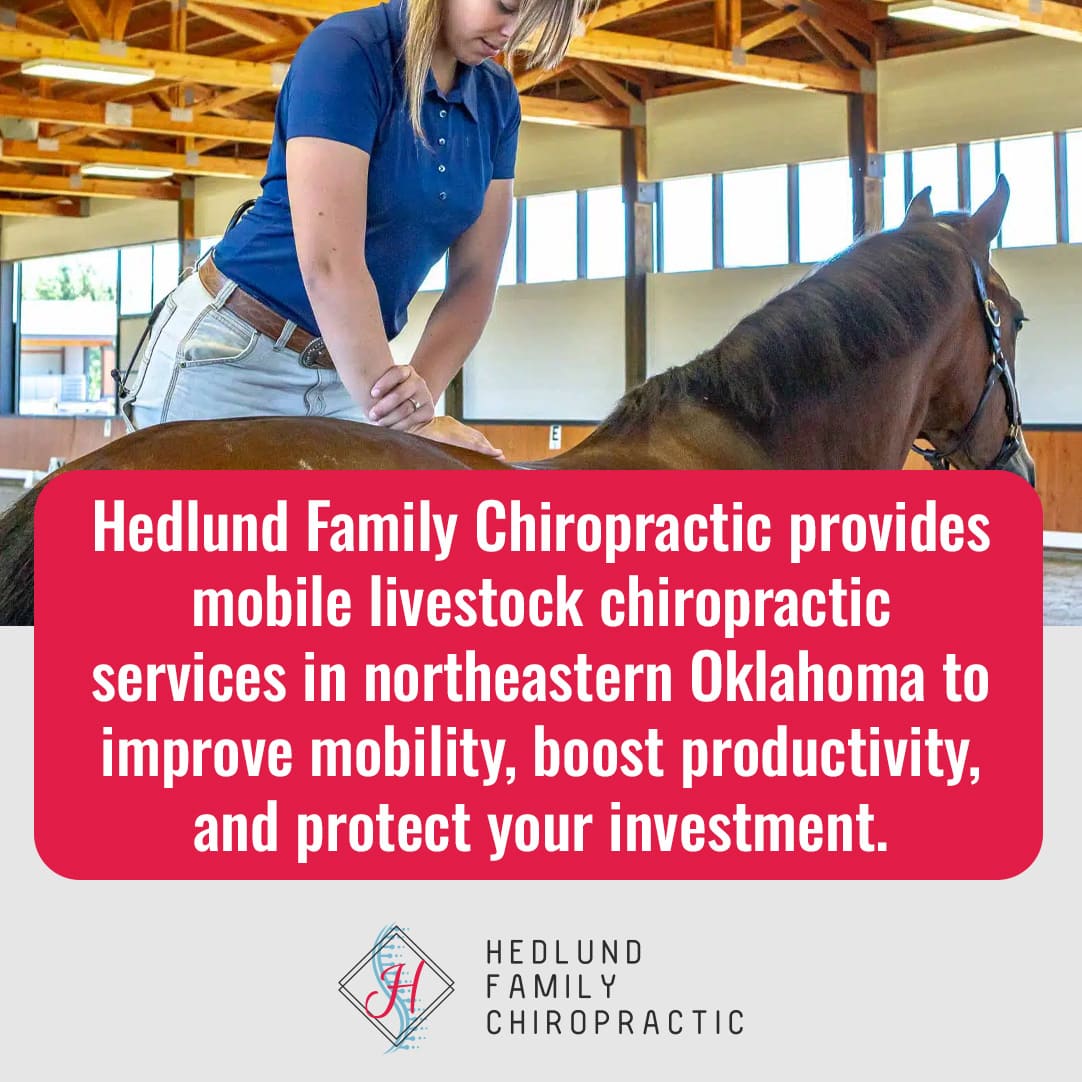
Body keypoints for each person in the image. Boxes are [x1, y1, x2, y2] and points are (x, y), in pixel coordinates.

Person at [119, 0, 590, 455]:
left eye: (528, 17)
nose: (513, 32)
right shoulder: (348, 50)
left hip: (351, 376)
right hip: (234, 357)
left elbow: (476, 278)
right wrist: (409, 418)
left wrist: (413, 402)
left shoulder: (496, 99)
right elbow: (329, 263)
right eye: (506, 6)